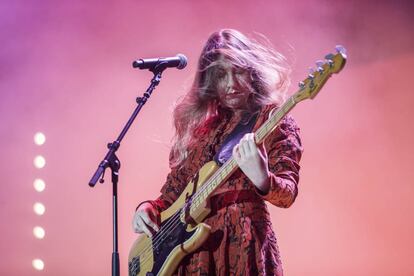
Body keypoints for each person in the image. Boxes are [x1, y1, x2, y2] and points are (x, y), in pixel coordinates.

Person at [132, 29, 303, 276]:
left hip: (242, 245)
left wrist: (263, 179)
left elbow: (287, 194)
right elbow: (172, 193)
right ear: (209, 82)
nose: (232, 84)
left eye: (239, 71)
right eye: (221, 74)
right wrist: (148, 208)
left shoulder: (273, 120)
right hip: (193, 253)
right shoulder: (203, 130)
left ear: (252, 72)